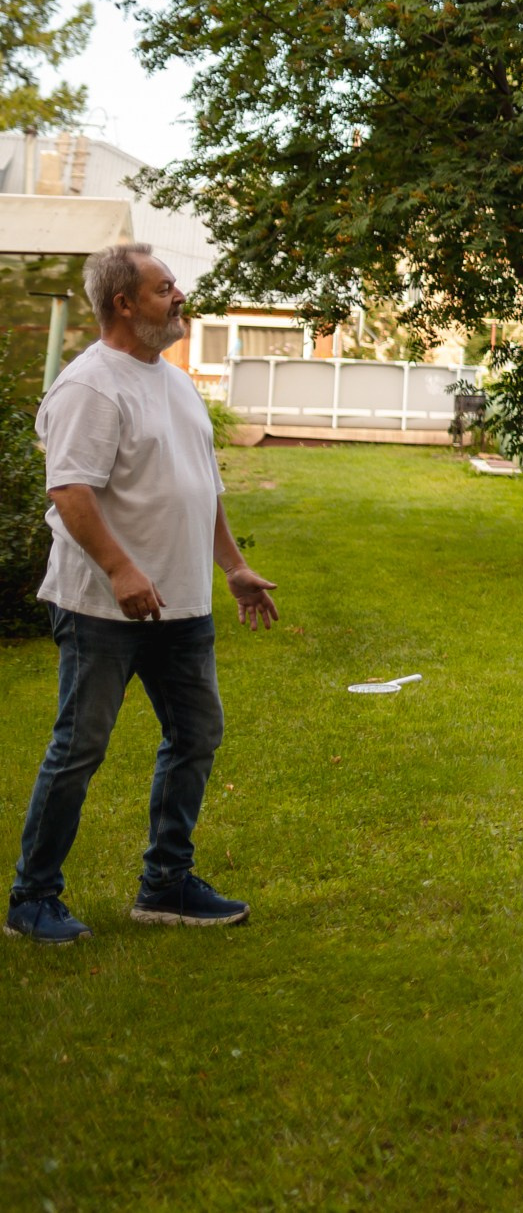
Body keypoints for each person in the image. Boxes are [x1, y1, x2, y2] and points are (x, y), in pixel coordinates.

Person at [6, 243, 278, 947]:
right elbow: (69, 491)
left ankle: (165, 882)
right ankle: (32, 896)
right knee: (81, 746)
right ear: (123, 303)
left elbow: (202, 485)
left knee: (196, 733)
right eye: (165, 288)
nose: (179, 295)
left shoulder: (176, 381)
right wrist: (122, 570)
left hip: (181, 604)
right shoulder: (91, 385)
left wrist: (234, 566)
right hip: (103, 607)